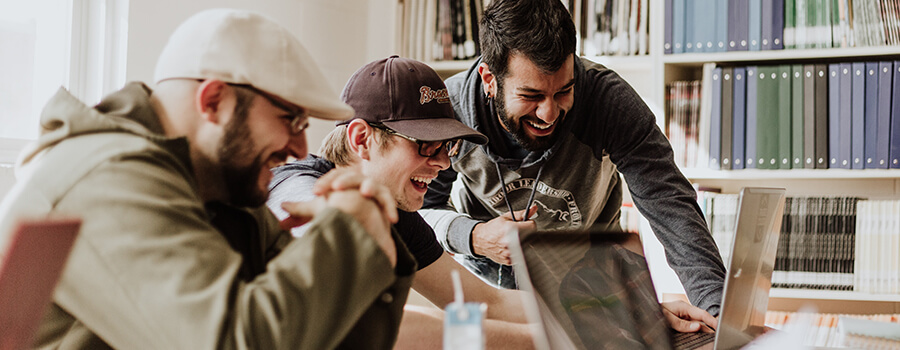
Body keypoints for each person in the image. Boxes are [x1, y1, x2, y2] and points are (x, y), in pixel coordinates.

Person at [0, 9, 417, 349]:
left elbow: (327, 337)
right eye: (289, 119)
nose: (298, 146)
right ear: (213, 100)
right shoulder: (106, 178)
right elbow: (237, 342)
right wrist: (347, 231)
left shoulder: (224, 194)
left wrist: (375, 236)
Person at [420, 0, 727, 318]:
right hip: (491, 287)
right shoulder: (449, 112)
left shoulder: (610, 103)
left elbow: (670, 205)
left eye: (563, 91)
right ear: (489, 79)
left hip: (596, 281)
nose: (548, 113)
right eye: (531, 96)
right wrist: (473, 237)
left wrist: (717, 310)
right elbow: (419, 210)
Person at [267, 56, 535, 349]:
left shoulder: (392, 210)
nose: (444, 163)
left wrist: (580, 314)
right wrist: (535, 341)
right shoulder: (297, 190)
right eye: (427, 145)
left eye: (447, 147)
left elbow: (488, 301)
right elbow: (362, 324)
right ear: (361, 139)